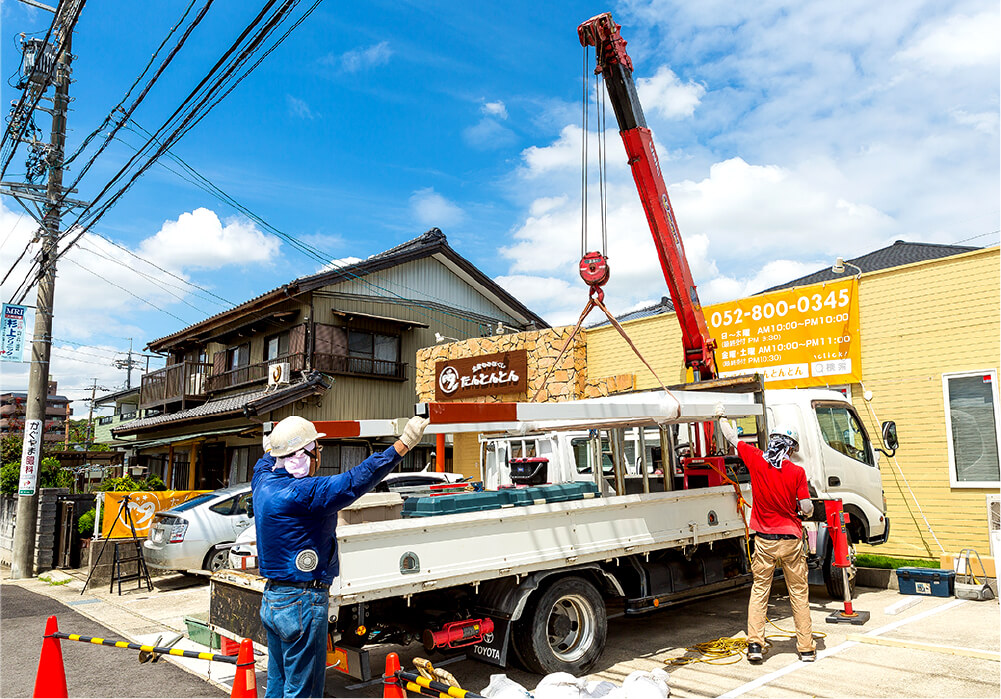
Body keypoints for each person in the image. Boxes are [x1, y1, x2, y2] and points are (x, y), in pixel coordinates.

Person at [252, 414, 429, 697]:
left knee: (278, 683)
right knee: (303, 691)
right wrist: (403, 444)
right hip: (302, 602)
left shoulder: (263, 482)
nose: (320, 453)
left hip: (274, 599)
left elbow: (266, 458)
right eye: (317, 449)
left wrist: (275, 443)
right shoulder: (305, 493)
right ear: (303, 455)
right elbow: (355, 481)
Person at [717, 417, 816, 664]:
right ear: (791, 447)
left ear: (772, 441)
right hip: (791, 540)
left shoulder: (755, 459)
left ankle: (755, 645)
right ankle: (806, 649)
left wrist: (720, 416)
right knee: (798, 594)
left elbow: (731, 437)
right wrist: (804, 507)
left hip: (764, 540)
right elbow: (806, 508)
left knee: (760, 591)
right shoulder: (797, 472)